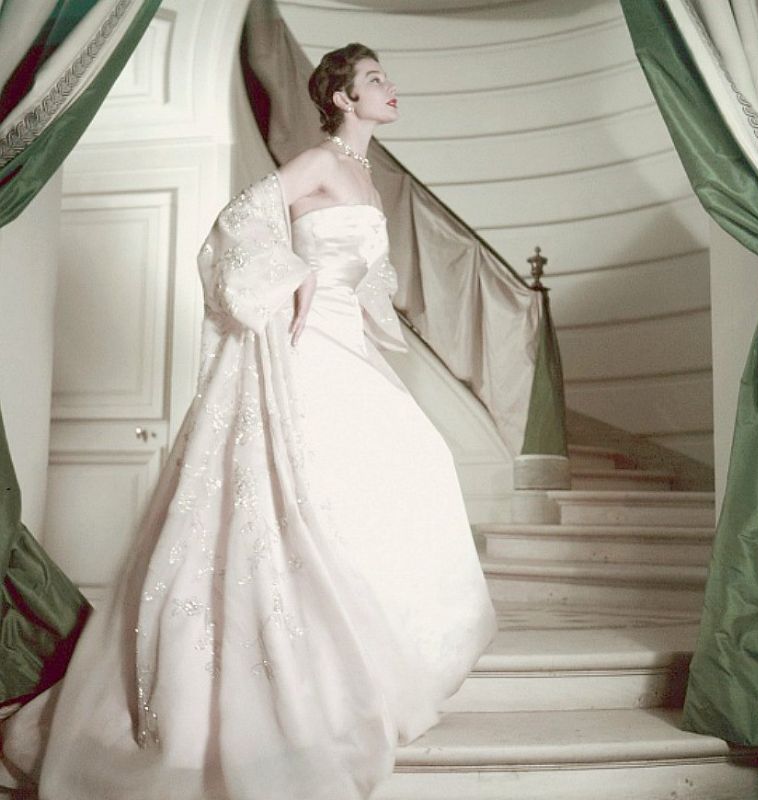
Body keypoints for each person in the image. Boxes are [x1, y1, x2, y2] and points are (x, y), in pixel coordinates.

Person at [0, 43, 497, 799]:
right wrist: (291, 275)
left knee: (406, 470)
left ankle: (366, 669)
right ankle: (300, 689)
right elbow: (238, 220)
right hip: (303, 349)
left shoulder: (368, 176)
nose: (389, 87)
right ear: (341, 98)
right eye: (373, 80)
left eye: (385, 78)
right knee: (305, 495)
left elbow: (363, 276)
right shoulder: (320, 161)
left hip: (349, 345)